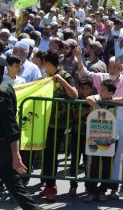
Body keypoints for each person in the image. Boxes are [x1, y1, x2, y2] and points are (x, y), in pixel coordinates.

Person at [0, 55, 40, 210]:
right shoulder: (2, 84)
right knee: (16, 188)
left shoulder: (1, 92)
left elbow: (11, 125)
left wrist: (16, 156)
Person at [39, 50, 78, 202]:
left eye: (44, 64)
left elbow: (74, 94)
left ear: (48, 63)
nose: (43, 67)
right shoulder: (48, 76)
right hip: (48, 121)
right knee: (47, 154)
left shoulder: (65, 75)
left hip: (59, 122)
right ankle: (49, 184)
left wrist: (61, 80)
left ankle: (51, 186)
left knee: (51, 154)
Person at [84, 80, 121, 202]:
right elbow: (89, 98)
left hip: (111, 138)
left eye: (104, 89)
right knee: (94, 165)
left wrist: (108, 101)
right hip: (95, 137)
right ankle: (92, 190)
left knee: (107, 166)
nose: (100, 90)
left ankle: (102, 191)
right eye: (100, 88)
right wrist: (98, 107)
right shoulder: (97, 98)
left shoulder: (114, 101)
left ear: (111, 92)